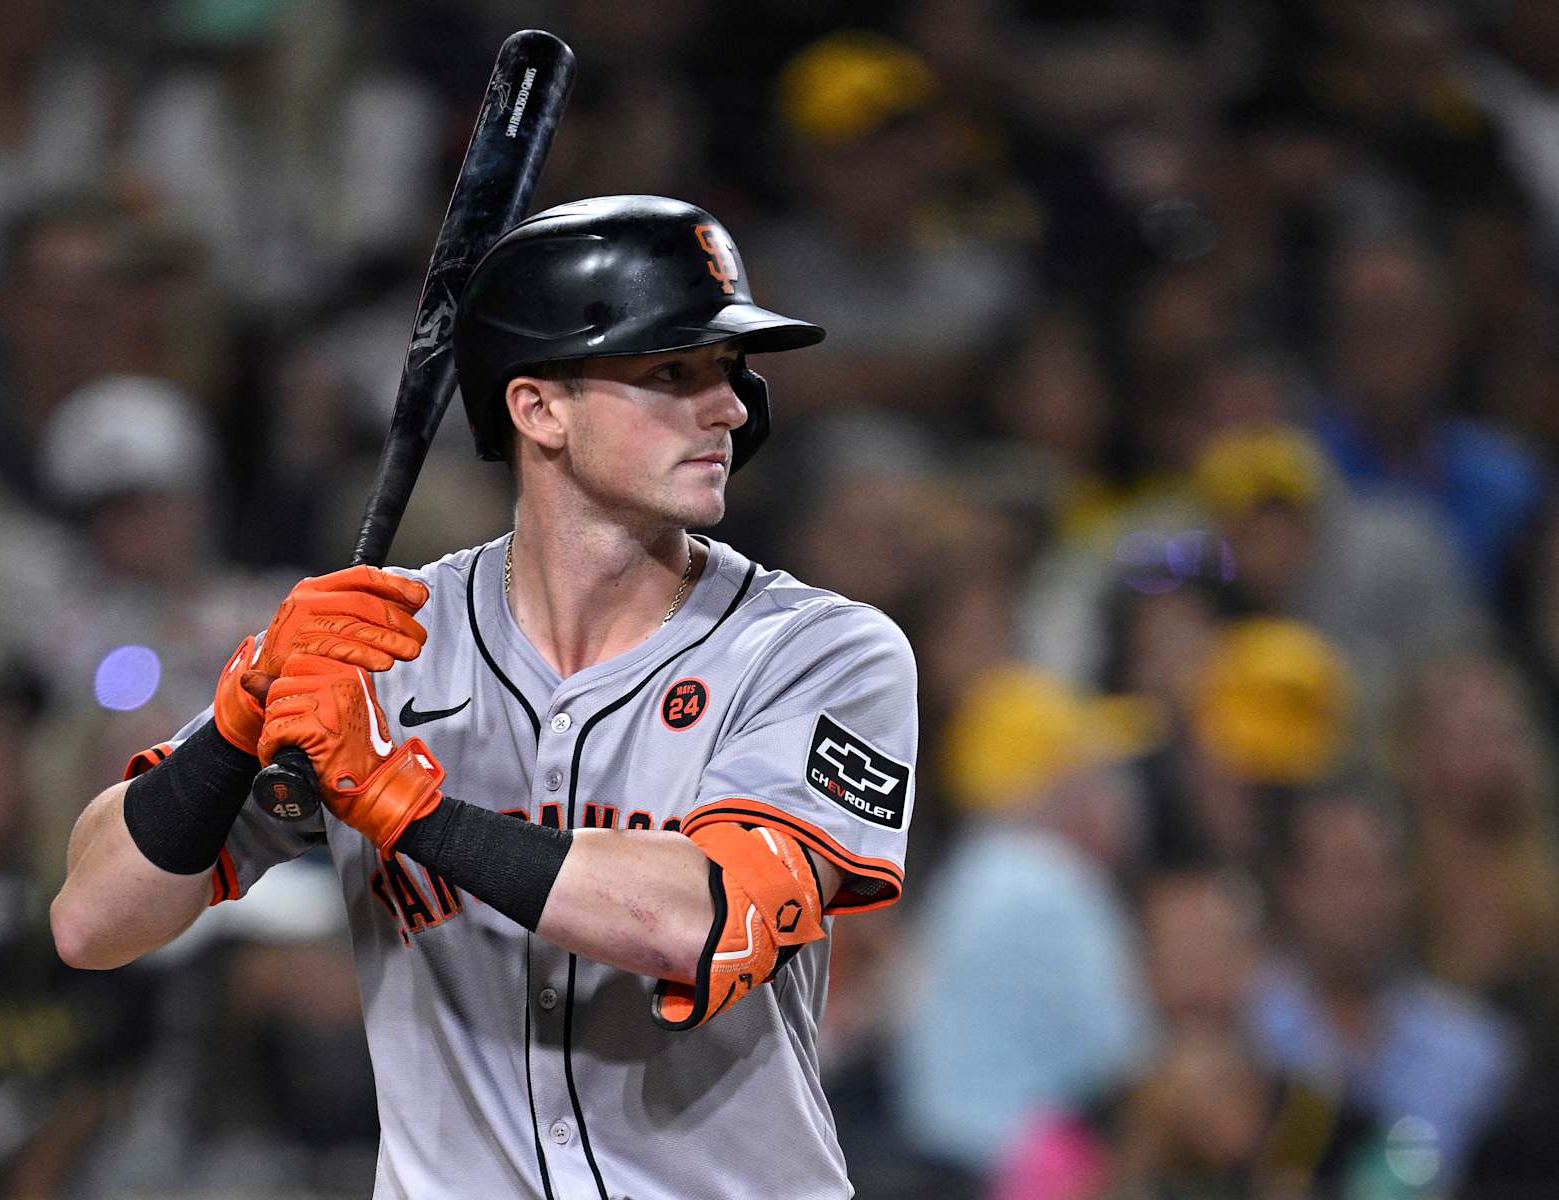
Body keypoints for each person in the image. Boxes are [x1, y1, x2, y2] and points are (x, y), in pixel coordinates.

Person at [50, 195, 919, 1199]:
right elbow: (93, 920)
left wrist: (404, 808)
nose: (728, 407)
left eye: (727, 373)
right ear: (537, 407)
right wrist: (238, 730)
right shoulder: (391, 640)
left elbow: (709, 918)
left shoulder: (819, 650)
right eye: (672, 372)